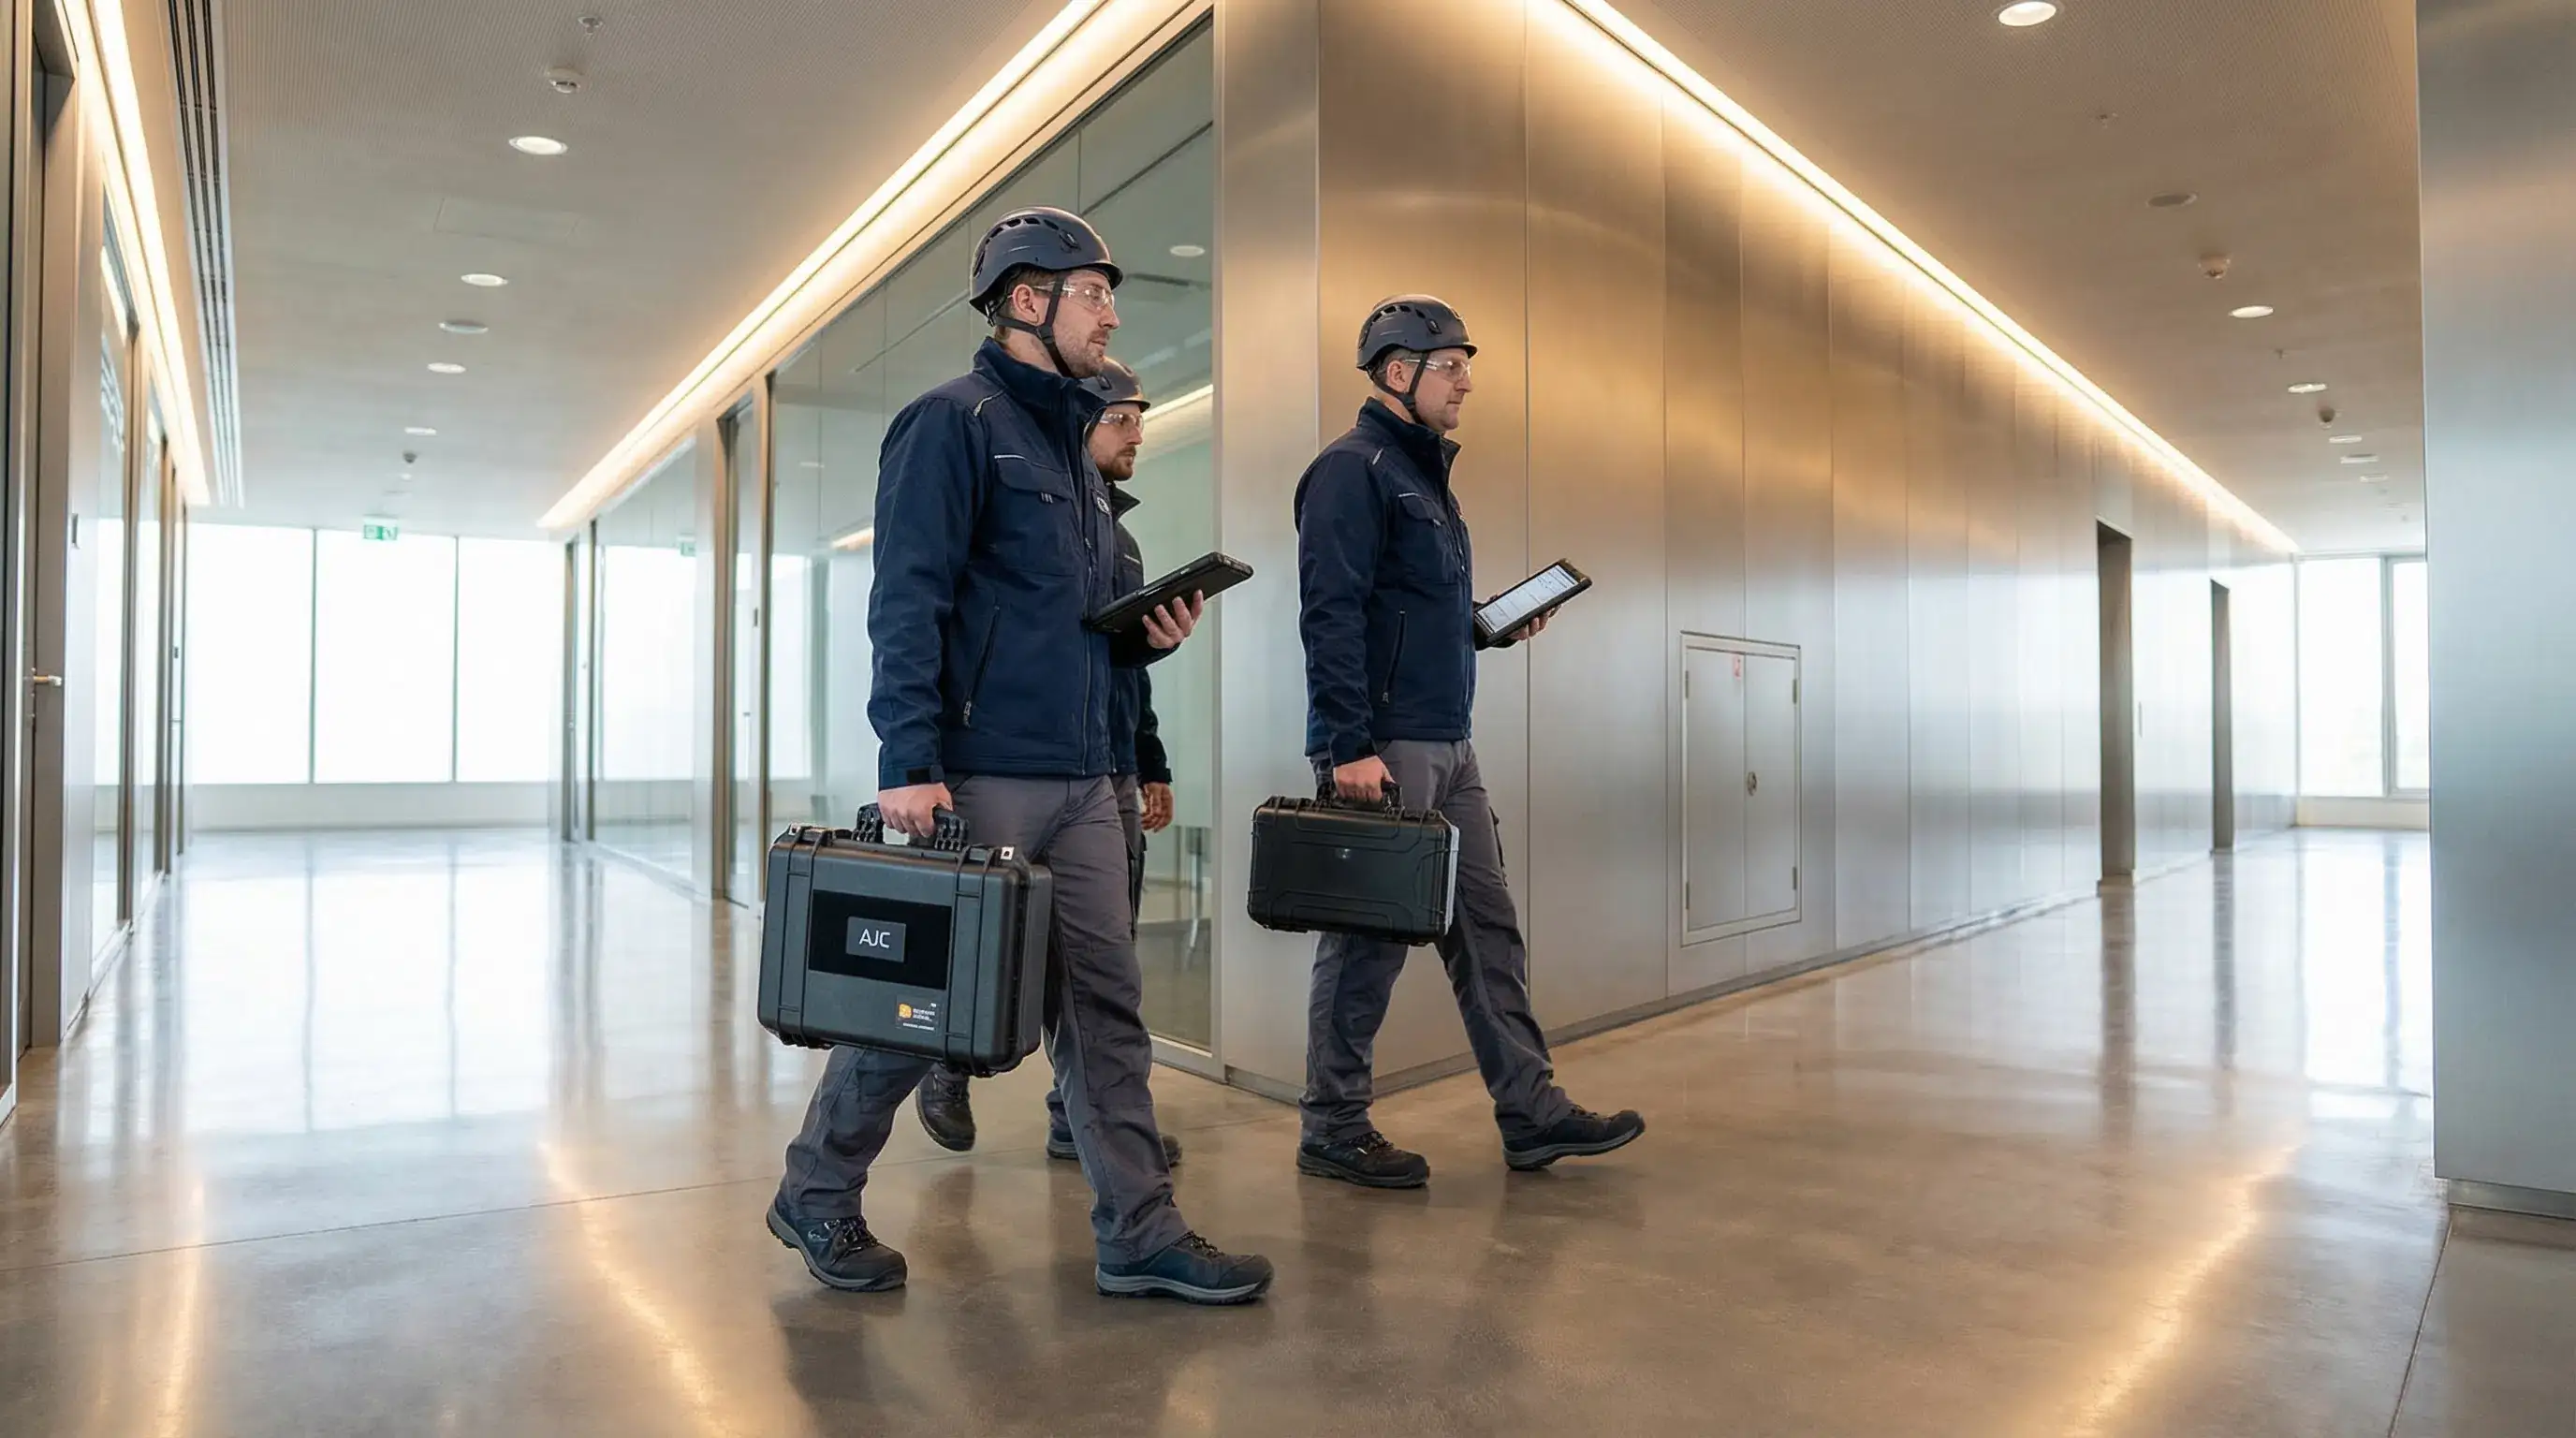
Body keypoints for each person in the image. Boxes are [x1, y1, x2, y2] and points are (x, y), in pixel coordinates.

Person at [769, 207, 1271, 1305]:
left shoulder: (1073, 455)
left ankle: (1138, 1230)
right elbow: (907, 600)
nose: (1112, 314)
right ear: (1026, 301)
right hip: (980, 769)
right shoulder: (950, 423)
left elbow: (1065, 623)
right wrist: (908, 757)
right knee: (924, 1007)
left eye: (1108, 296)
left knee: (1104, 1010)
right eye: (1093, 293)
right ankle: (815, 1190)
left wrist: (1143, 636)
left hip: (1084, 774)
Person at [1291, 294, 1647, 1189]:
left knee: (1488, 932)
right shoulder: (1351, 471)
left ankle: (1531, 1111)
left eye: (1464, 367)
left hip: (1451, 744)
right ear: (1397, 372)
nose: (1465, 383)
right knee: (1368, 942)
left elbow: (1409, 613)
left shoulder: (1427, 484)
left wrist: (1487, 627)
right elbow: (1331, 615)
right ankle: (1332, 1125)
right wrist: (1348, 745)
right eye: (1450, 366)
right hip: (1384, 748)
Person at [912, 357, 1187, 1169]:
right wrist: (912, 759)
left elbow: (1117, 668)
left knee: (1105, 965)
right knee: (978, 948)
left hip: (1103, 764)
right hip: (1004, 763)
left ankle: (1082, 1127)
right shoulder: (975, 448)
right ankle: (944, 1066)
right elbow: (916, 608)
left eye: (1141, 419)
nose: (1137, 435)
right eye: (1123, 419)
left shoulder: (1117, 539)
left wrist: (1150, 758)